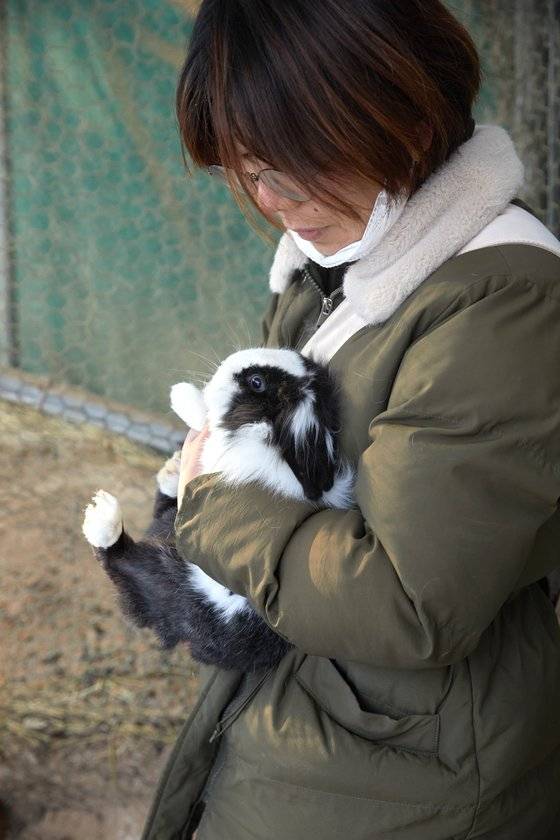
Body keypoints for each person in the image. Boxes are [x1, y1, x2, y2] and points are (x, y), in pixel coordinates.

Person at [141, 2, 560, 838]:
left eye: (289, 167)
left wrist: (211, 501)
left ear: (395, 111)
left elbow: (410, 602)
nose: (268, 198)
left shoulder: (501, 296)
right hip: (316, 712)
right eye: (247, 170)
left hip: (411, 768)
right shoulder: (337, 261)